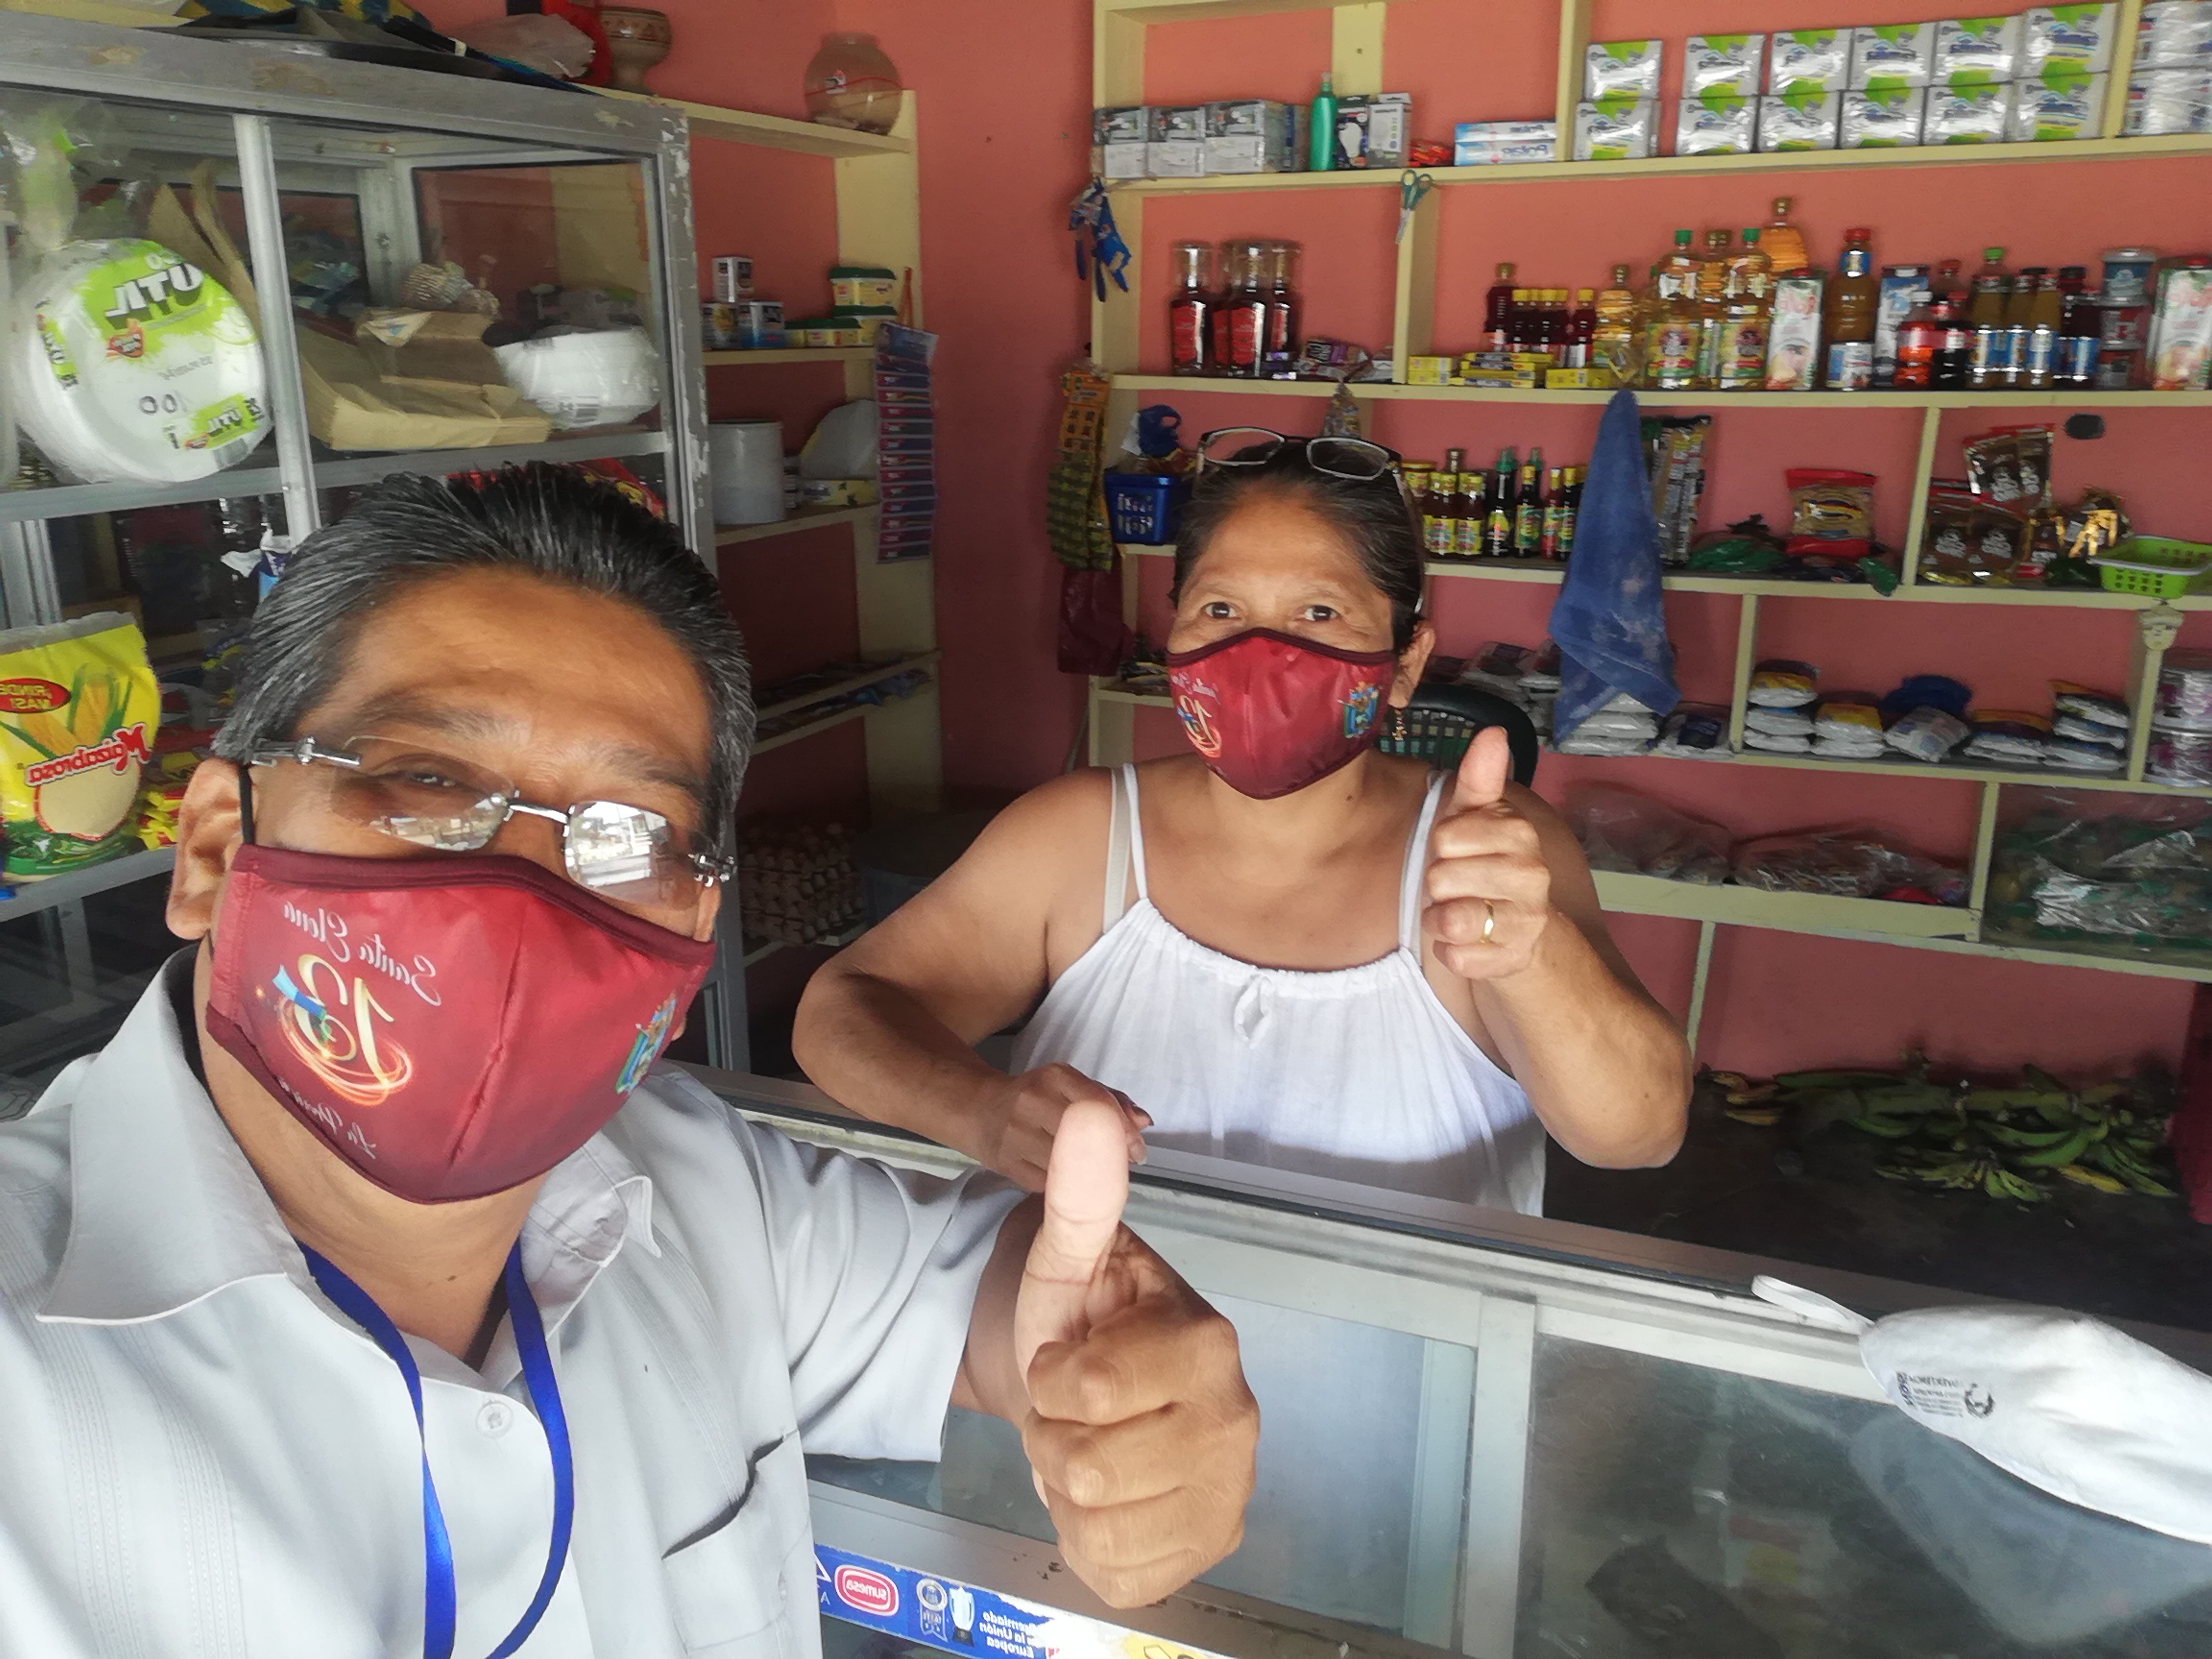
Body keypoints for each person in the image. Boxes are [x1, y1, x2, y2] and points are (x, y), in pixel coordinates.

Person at [0, 466, 1256, 1656]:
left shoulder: (693, 1183)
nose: (519, 892)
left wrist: (1134, 1374)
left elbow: (987, 1309)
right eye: (427, 780)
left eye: (626, 835)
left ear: (698, 927)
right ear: (216, 848)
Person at [795, 429, 1690, 1210]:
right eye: (1220, 609)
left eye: (1320, 612)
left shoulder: (1483, 854)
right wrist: (978, 1110)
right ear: (1174, 637)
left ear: (1406, 662)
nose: (1260, 655)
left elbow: (1639, 1135)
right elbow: (842, 1012)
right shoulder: (1079, 835)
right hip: (1083, 1347)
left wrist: (1531, 956)